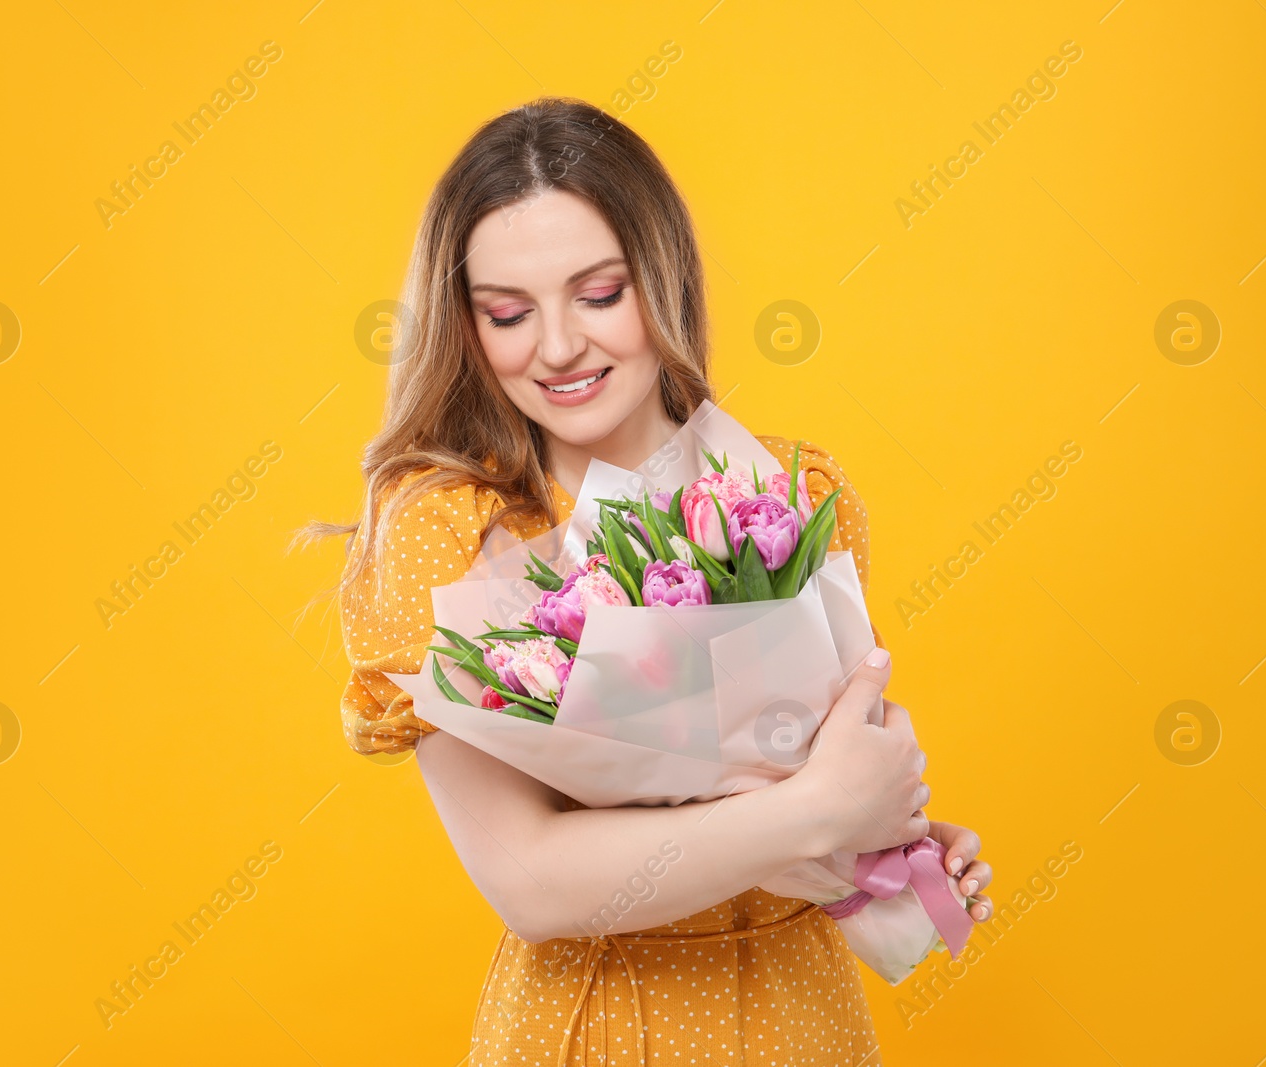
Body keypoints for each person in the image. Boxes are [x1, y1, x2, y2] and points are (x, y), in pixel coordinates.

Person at [304, 96, 995, 1066]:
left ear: (663, 275)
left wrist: (882, 846)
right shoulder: (450, 529)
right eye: (508, 311)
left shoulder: (791, 495)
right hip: (599, 1022)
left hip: (807, 1019)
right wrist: (817, 811)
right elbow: (530, 882)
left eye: (597, 294)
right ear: (466, 322)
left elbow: (797, 791)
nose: (556, 347)